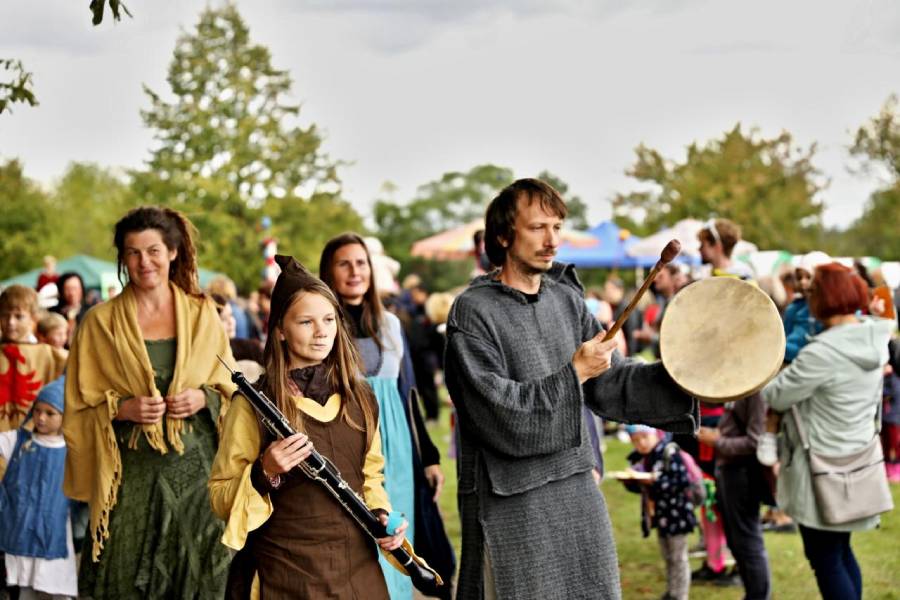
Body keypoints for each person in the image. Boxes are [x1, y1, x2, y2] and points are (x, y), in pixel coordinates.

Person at [443, 178, 697, 599]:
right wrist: (572, 373)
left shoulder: (566, 300)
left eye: (557, 227)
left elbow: (611, 381)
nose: (552, 240)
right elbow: (494, 411)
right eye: (538, 227)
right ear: (505, 235)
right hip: (513, 501)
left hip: (576, 487)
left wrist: (684, 378)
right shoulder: (473, 312)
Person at [209, 254, 416, 598]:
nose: (322, 332)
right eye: (306, 322)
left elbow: (371, 477)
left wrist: (380, 515)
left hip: (358, 575)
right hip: (285, 577)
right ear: (280, 330)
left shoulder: (361, 397)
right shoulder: (252, 405)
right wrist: (265, 471)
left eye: (329, 319)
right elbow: (219, 496)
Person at [63, 206, 237, 599]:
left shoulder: (203, 313)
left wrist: (202, 396)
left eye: (154, 250)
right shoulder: (98, 322)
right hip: (128, 475)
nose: (145, 262)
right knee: (122, 576)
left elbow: (230, 387)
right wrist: (121, 409)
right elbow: (78, 403)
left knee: (200, 575)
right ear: (123, 259)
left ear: (173, 252)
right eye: (134, 252)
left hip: (197, 472)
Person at [320, 233, 453, 598]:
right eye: (343, 263)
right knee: (356, 541)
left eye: (361, 263)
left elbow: (407, 393)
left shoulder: (392, 323)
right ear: (328, 272)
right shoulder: (322, 323)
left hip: (395, 446)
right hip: (347, 442)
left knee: (396, 540)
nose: (354, 271)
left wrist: (428, 457)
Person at [761, 263, 893, 600]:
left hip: (819, 464)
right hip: (856, 458)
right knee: (840, 552)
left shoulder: (823, 352)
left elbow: (776, 393)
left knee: (826, 559)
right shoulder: (872, 336)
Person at [0, 377, 78, 599]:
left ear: (66, 416)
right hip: (21, 532)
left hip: (56, 534)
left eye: (50, 413)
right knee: (27, 589)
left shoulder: (72, 451)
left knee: (57, 587)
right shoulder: (18, 441)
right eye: (37, 411)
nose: (41, 418)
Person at [621, 425, 696, 600]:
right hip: (661, 517)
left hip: (677, 516)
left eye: (644, 437)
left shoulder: (669, 452)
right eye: (635, 440)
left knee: (678, 558)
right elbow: (644, 489)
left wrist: (654, 480)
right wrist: (631, 482)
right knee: (668, 556)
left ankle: (680, 594)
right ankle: (671, 591)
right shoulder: (647, 459)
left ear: (655, 434)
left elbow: (681, 481)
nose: (641, 443)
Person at [0, 285, 67, 432]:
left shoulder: (50, 355)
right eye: (5, 315)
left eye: (19, 316)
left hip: (35, 439)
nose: (11, 322)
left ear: (33, 318)